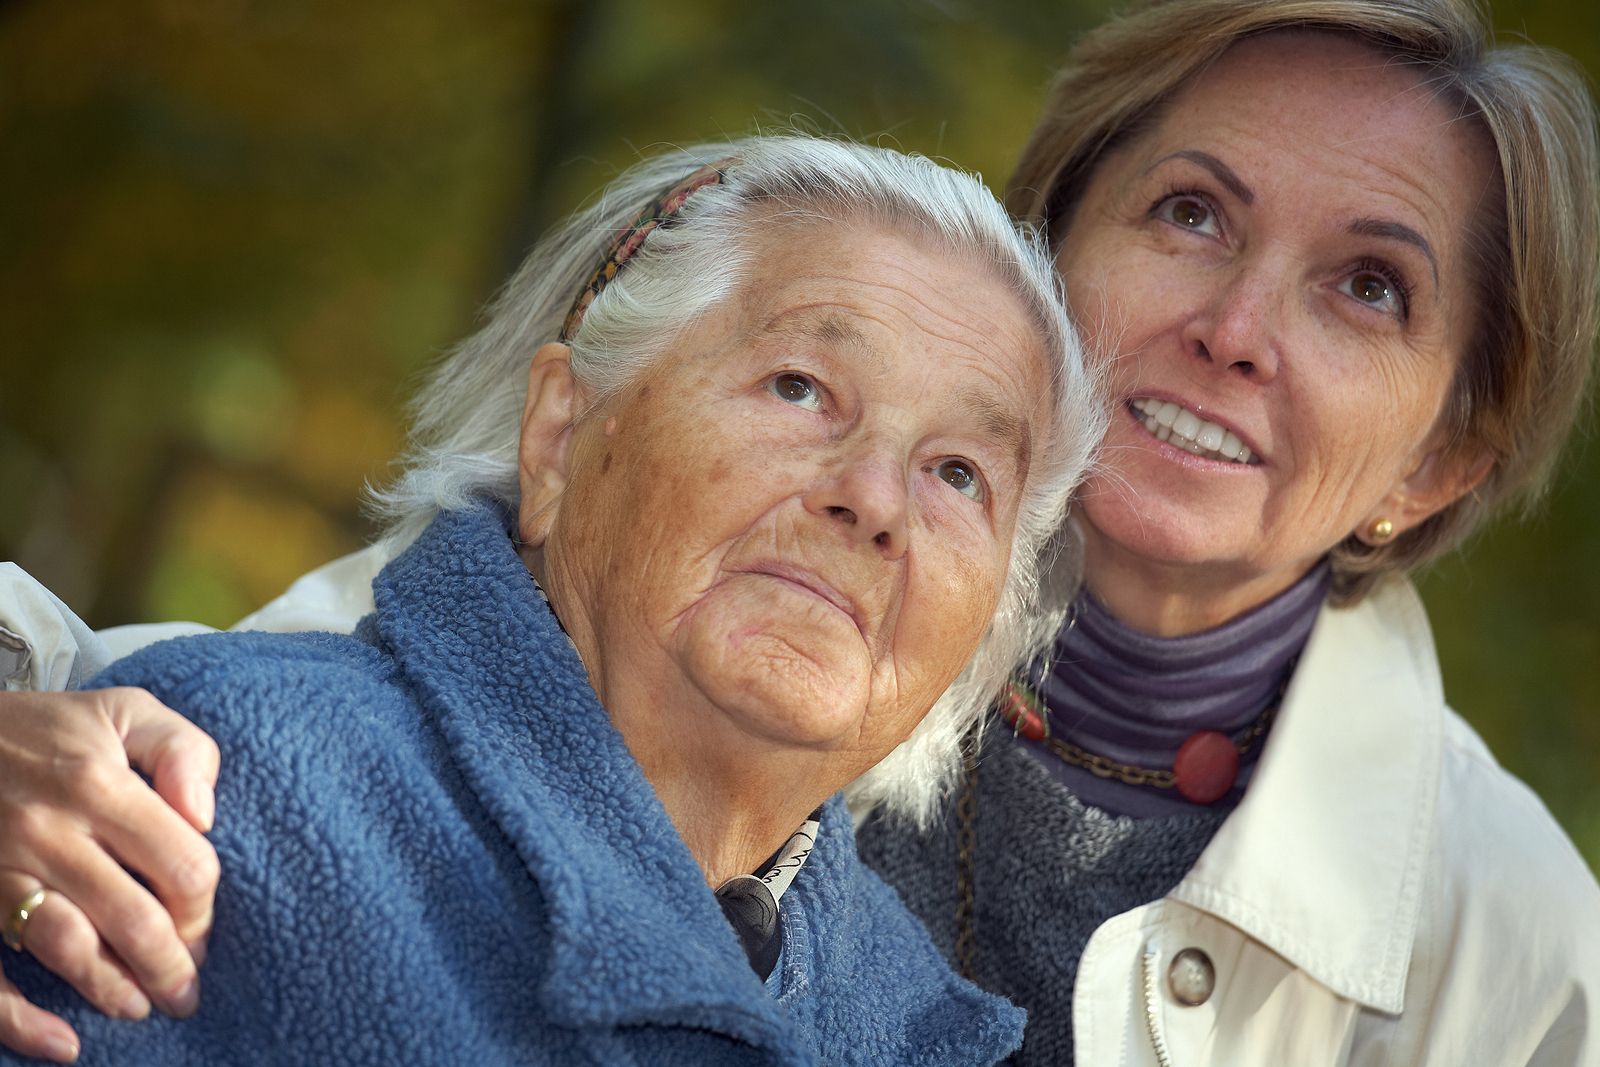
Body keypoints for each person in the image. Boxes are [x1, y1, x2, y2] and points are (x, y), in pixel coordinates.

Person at [2, 0, 1598, 1062]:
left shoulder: (1518, 945)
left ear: (1441, 457)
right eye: (1191, 213)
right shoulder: (677, 555)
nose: (1239, 325)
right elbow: (200, 730)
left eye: (1367, 288)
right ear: (1055, 258)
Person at [0, 133, 1105, 1064]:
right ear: (561, 437)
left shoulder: (926, 1029)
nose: (875, 500)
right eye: (801, 387)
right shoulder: (198, 795)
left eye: (959, 472)